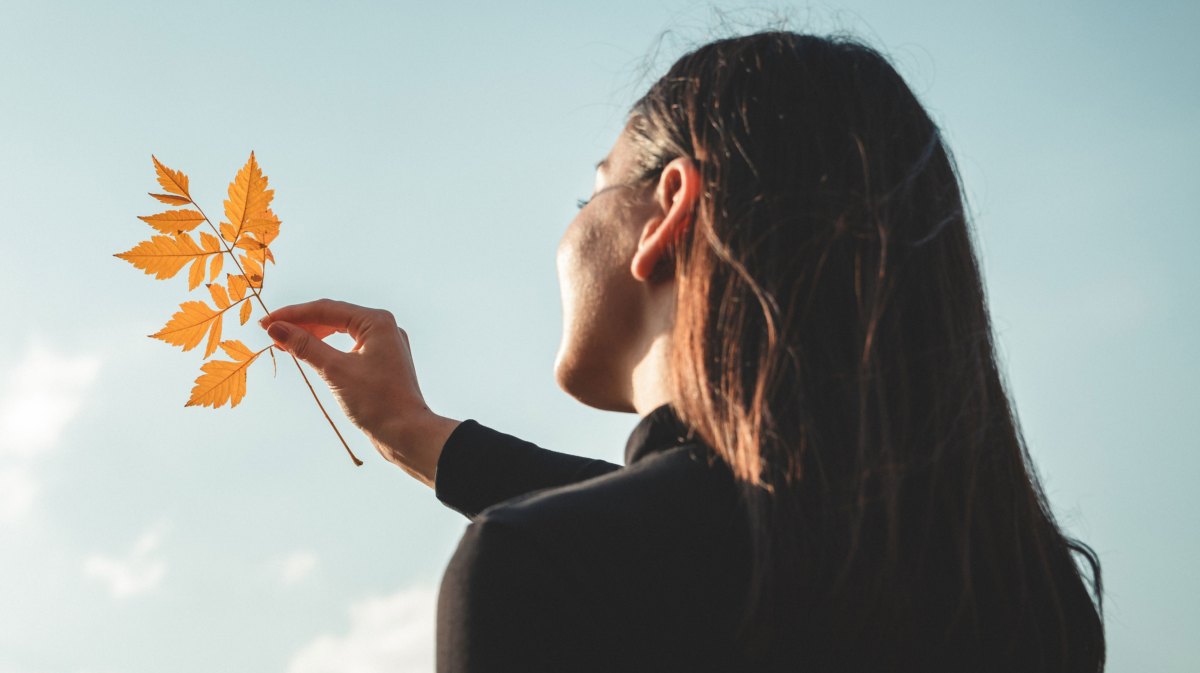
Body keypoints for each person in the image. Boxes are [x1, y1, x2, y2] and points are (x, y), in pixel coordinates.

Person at [259, 30, 1106, 673]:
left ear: (667, 208)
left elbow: (670, 546)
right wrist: (418, 430)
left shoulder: (537, 572)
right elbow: (731, 533)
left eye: (588, 190)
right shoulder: (1026, 597)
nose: (566, 230)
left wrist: (506, 514)